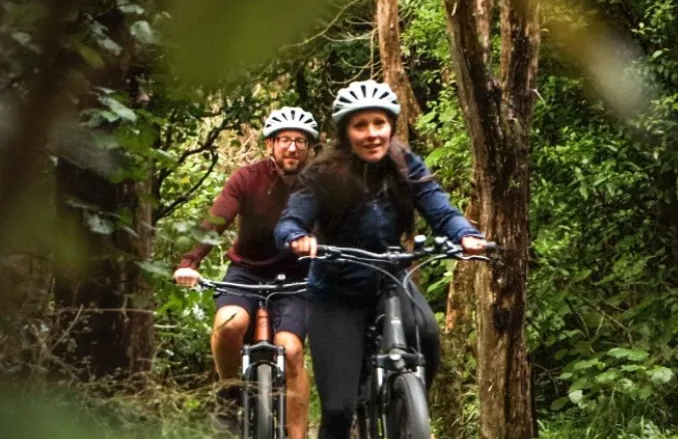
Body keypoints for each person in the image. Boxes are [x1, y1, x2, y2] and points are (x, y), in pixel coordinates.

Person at [274, 80, 487, 439]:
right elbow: (291, 220)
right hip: (337, 292)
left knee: (427, 334)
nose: (372, 134)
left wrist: (466, 234)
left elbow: (440, 207)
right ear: (346, 132)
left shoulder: (405, 164)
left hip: (391, 280)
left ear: (391, 125)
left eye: (379, 123)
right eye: (361, 126)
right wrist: (297, 237)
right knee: (339, 410)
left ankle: (407, 405)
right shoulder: (323, 174)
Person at [174, 106, 319, 439]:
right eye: (284, 140)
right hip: (246, 272)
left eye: (300, 141)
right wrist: (189, 262)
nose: (292, 148)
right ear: (270, 145)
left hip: (295, 280)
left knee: (292, 349)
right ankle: (229, 394)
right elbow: (215, 221)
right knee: (230, 325)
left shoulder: (317, 185)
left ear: (309, 147)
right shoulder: (247, 178)